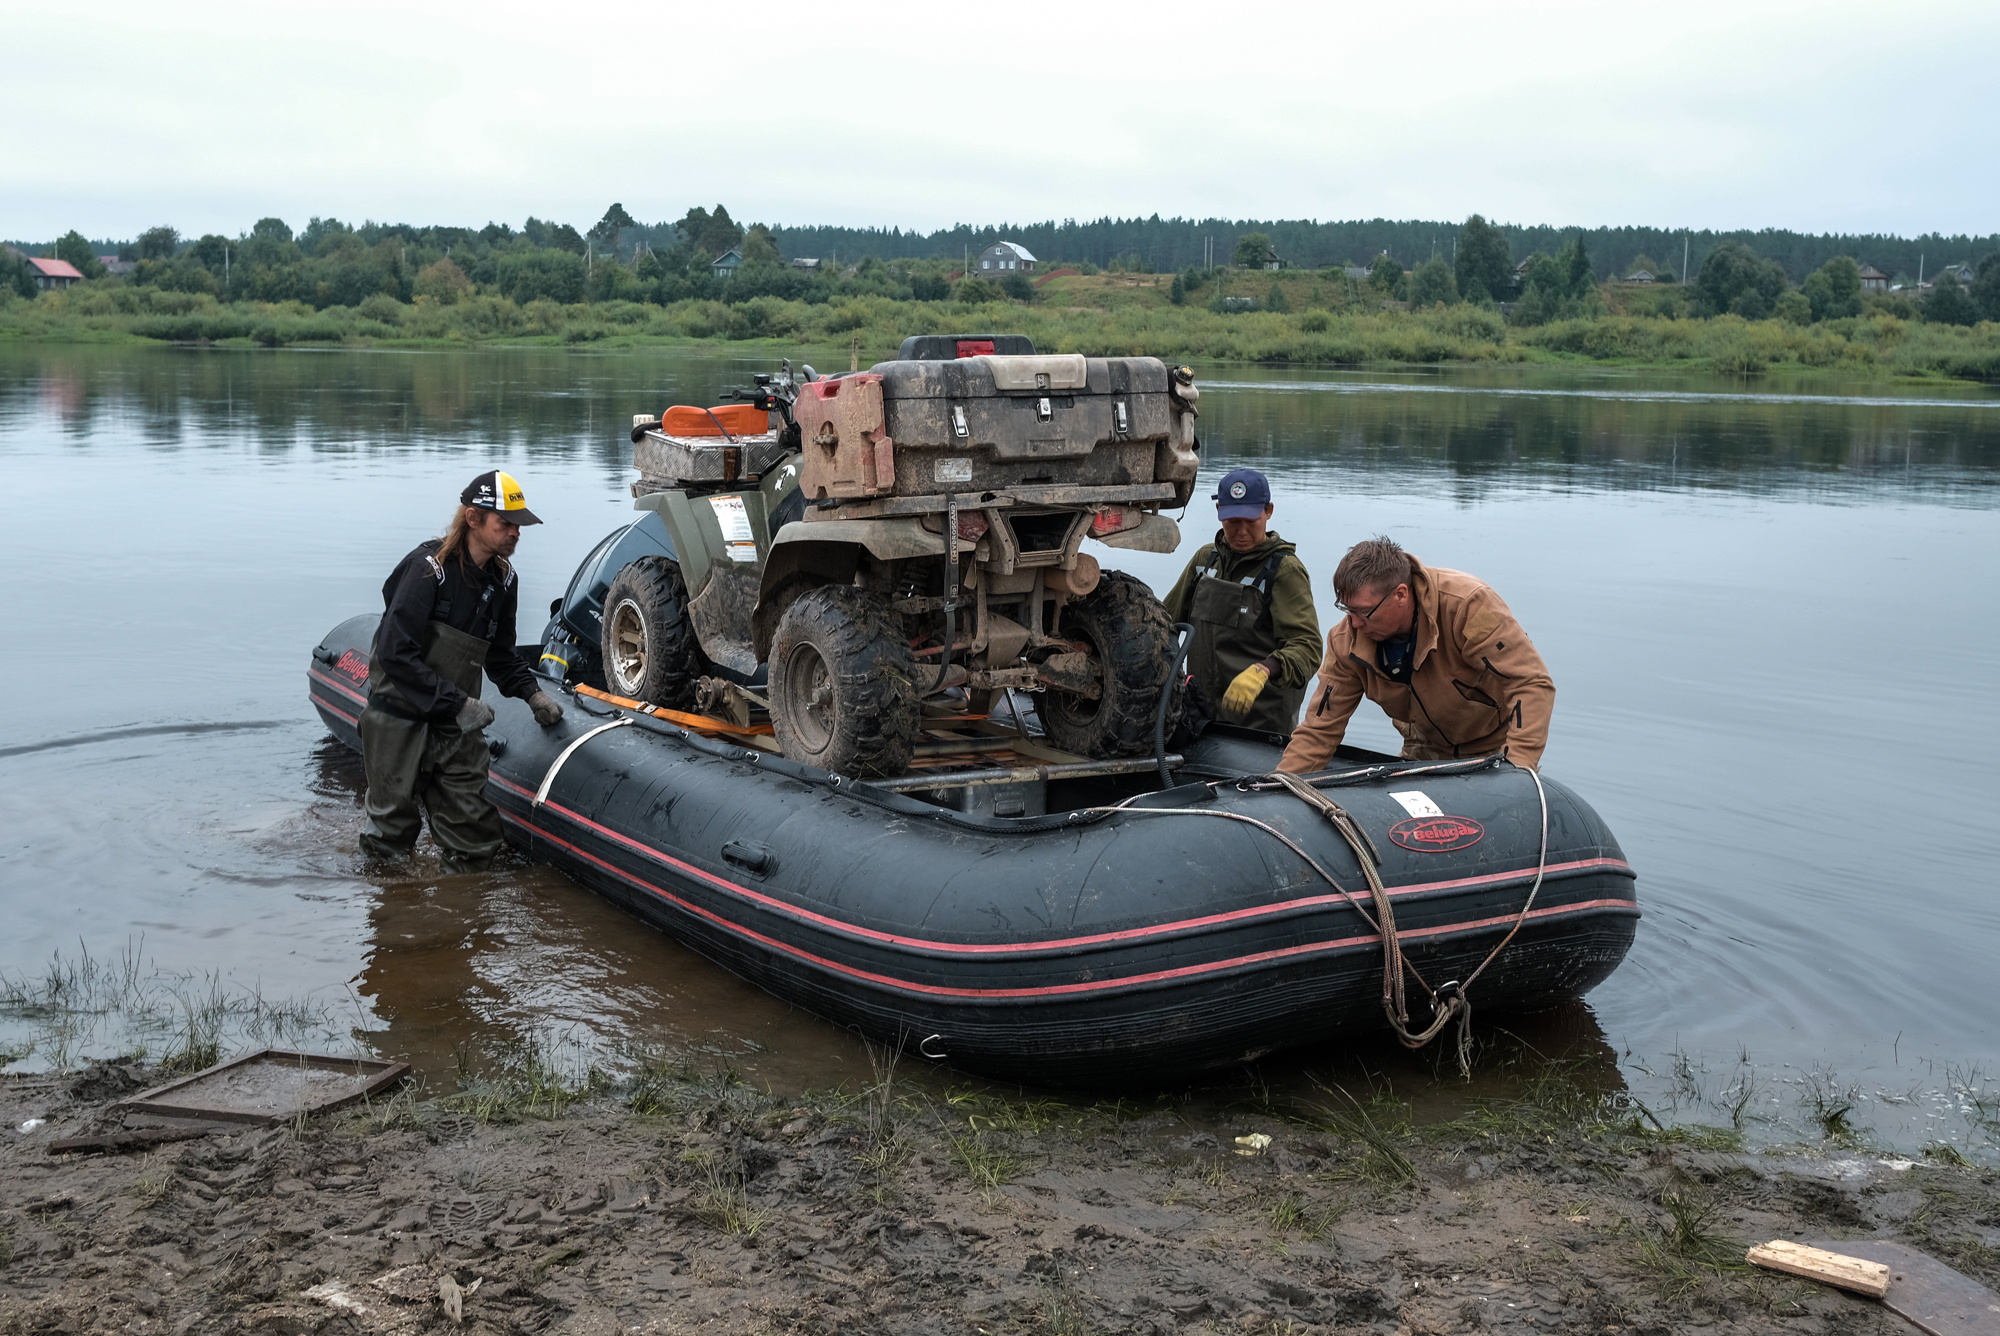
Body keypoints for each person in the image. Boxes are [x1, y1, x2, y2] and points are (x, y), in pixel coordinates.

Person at [358, 470, 566, 870]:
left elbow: (501, 655)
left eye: (520, 524)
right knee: (391, 831)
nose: (516, 533)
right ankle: (393, 914)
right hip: (398, 717)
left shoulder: (504, 579)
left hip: (454, 725)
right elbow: (395, 654)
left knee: (475, 835)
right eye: (505, 523)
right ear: (473, 519)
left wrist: (531, 693)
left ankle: (461, 901)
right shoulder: (427, 569)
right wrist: (457, 703)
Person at [1279, 536, 1553, 774]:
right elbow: (1319, 730)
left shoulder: (1468, 607)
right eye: (1347, 610)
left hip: (1493, 747)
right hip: (1423, 750)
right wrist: (1278, 789)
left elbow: (1530, 684)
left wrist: (1517, 770)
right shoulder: (1345, 642)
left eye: (1363, 612)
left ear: (1400, 594)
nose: (1355, 624)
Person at [1160, 467, 1321, 738]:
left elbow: (1308, 648)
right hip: (1202, 717)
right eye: (1232, 521)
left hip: (1261, 726)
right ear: (1219, 511)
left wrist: (1264, 669)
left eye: (1251, 520)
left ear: (1268, 511)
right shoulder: (1204, 561)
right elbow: (1167, 623)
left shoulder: (1284, 571)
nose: (1241, 531)